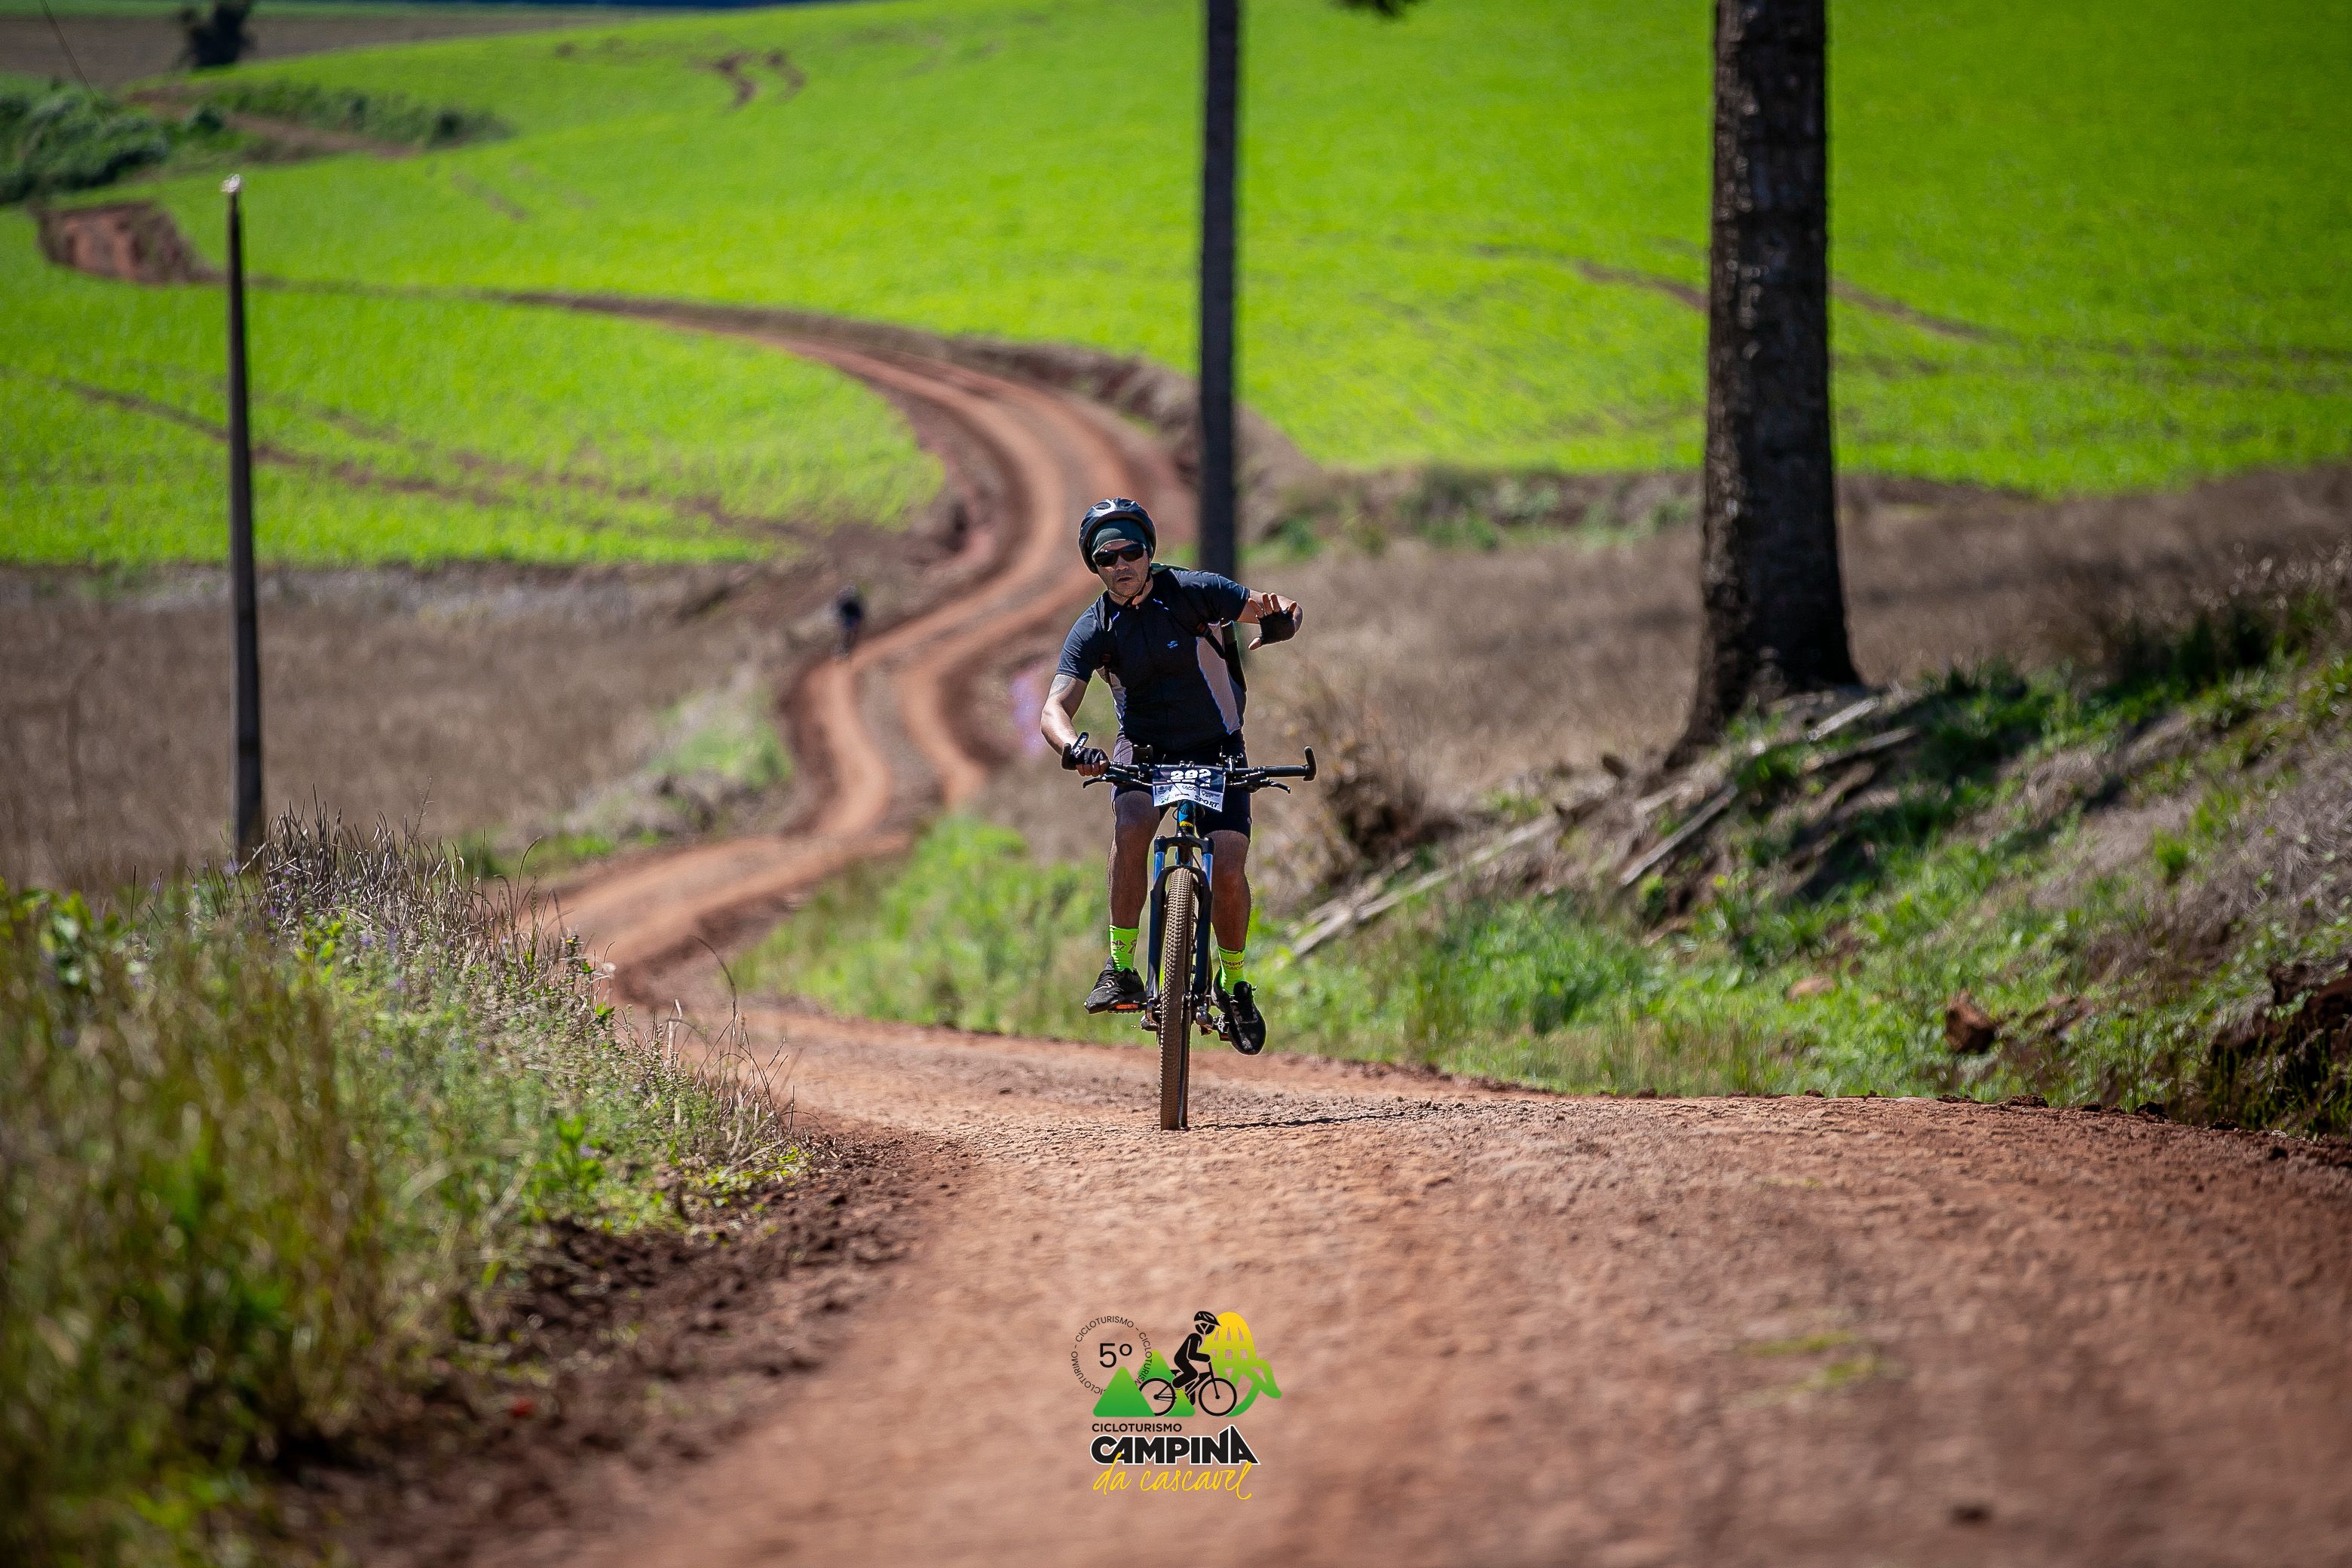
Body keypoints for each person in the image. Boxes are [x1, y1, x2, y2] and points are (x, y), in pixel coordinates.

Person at [1038, 498, 1303, 1054]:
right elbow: (1053, 709)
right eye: (1106, 557)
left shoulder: (1195, 591)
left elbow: (1279, 607)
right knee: (1131, 823)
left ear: (1149, 551)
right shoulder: (1094, 628)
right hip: (1145, 751)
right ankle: (1120, 967)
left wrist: (1282, 623)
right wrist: (1074, 747)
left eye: (1131, 551)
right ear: (1095, 566)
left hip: (1218, 747)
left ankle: (1234, 984)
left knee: (1227, 864)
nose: (1121, 564)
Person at [1170, 1310, 1220, 1394]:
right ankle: (1175, 1385)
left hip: (1183, 1359)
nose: (1212, 1329)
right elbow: (1191, 1355)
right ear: (1204, 1326)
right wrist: (1206, 1357)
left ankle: (1177, 1387)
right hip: (1181, 1359)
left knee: (1193, 1374)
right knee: (1193, 1374)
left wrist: (1206, 1357)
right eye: (1211, 1326)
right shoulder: (1196, 1337)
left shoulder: (1199, 1337)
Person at [833, 583, 865, 659]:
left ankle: (848, 649)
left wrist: (858, 620)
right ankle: (843, 649)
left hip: (852, 617)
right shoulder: (844, 603)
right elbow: (840, 613)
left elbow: (859, 613)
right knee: (847, 634)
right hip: (847, 618)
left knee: (854, 633)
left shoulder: (855, 603)